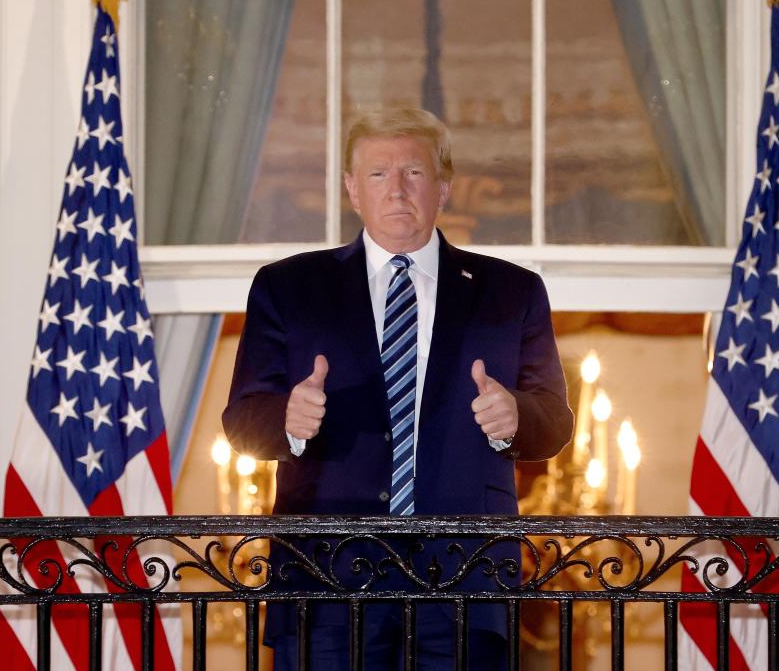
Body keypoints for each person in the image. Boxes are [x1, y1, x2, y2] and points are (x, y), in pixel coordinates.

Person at [223, 108, 573, 670]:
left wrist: (518, 417)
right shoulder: (288, 287)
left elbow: (555, 422)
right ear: (351, 189)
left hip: (467, 574)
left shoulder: (512, 290)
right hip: (325, 577)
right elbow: (242, 420)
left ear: (443, 188)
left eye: (414, 173)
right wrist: (288, 421)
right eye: (379, 174)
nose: (397, 190)